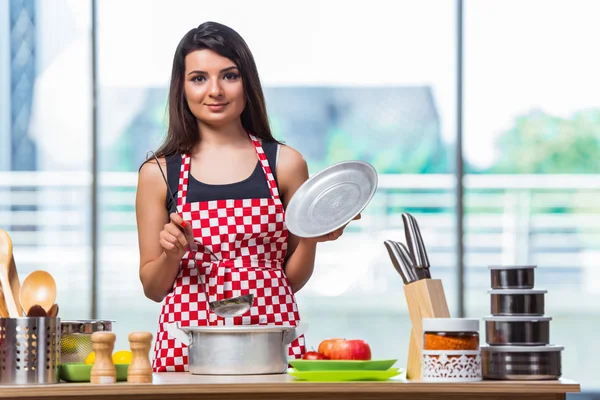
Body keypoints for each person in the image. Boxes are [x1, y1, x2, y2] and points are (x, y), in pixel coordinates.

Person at [135, 21, 359, 372]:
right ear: (181, 88)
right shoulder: (159, 174)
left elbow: (290, 279)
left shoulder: (286, 164)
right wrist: (171, 254)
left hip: (270, 339)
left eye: (229, 75)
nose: (215, 91)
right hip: (187, 347)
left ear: (247, 82)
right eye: (198, 78)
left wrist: (313, 236)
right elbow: (153, 287)